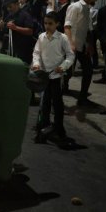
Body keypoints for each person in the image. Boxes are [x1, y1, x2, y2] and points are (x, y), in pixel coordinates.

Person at [32, 11, 75, 144]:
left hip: (56, 77)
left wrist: (63, 66)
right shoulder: (41, 37)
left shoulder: (62, 38)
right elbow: (36, 53)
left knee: (57, 104)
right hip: (44, 76)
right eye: (45, 23)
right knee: (44, 103)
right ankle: (43, 127)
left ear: (57, 24)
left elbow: (70, 56)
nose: (47, 26)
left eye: (50, 23)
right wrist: (37, 64)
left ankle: (59, 129)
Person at [64, 0, 98, 106]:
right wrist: (71, 44)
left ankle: (82, 98)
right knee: (66, 73)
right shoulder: (75, 7)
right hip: (72, 46)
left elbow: (88, 30)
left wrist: (89, 45)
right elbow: (67, 26)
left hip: (82, 46)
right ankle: (58, 94)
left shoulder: (87, 8)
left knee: (88, 71)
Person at [0, 0, 34, 64]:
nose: (8, 9)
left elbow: (30, 31)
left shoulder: (25, 15)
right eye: (7, 7)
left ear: (17, 4)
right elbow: (4, 29)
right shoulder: (9, 16)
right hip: (10, 49)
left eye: (10, 6)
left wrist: (16, 28)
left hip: (23, 50)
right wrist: (1, 25)